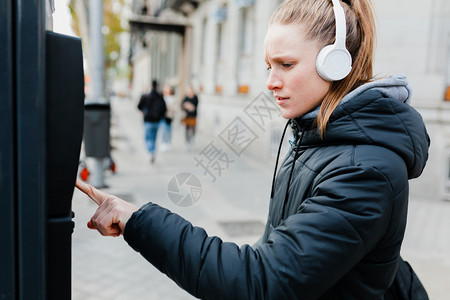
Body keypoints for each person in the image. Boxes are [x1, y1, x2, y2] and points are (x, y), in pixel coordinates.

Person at [77, 0, 430, 298]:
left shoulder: (364, 171)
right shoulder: (316, 138)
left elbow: (263, 282)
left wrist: (140, 221)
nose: (271, 82)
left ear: (335, 63)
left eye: (286, 65)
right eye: (268, 66)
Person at [137, 80, 166, 163]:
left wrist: (144, 112)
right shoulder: (160, 97)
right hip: (157, 121)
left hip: (148, 120)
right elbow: (164, 108)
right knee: (154, 137)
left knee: (147, 138)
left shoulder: (146, 96)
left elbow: (139, 106)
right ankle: (152, 151)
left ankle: (151, 151)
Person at [181, 86, 199, 150]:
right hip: (187, 116)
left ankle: (192, 138)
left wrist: (190, 106)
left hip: (193, 116)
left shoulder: (195, 97)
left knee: (193, 128)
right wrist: (186, 106)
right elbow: (182, 105)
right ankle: (187, 142)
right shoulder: (186, 98)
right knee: (187, 129)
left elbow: (195, 106)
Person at [160, 84, 176, 152]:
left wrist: (167, 108)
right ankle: (164, 143)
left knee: (169, 130)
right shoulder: (162, 97)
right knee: (164, 130)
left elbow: (174, 108)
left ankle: (168, 143)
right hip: (163, 116)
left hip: (169, 116)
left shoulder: (173, 98)